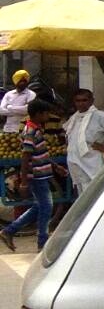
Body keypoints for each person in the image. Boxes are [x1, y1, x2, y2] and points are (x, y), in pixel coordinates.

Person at [1, 100, 59, 251]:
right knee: (46, 207)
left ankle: (9, 230)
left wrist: (55, 165)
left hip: (41, 173)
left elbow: (40, 152)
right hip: (37, 176)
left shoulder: (35, 129)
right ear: (39, 114)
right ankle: (42, 241)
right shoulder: (31, 131)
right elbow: (26, 156)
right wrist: (24, 181)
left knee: (39, 206)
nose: (48, 116)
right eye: (46, 113)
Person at [63, 89, 104, 194]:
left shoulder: (100, 116)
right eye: (78, 101)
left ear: (91, 101)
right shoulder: (74, 117)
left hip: (93, 163)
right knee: (82, 197)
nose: (81, 103)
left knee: (96, 194)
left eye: (84, 100)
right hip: (76, 163)